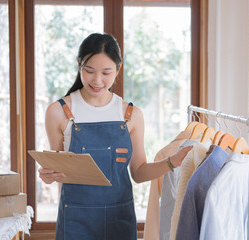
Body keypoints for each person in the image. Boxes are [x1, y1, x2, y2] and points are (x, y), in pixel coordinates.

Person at [38, 32, 193, 240]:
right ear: (79, 65)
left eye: (106, 72)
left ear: (118, 69)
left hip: (120, 218)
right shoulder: (58, 111)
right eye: (89, 71)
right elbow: (57, 170)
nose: (97, 80)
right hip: (75, 219)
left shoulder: (131, 115)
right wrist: (48, 175)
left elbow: (138, 173)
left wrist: (171, 163)